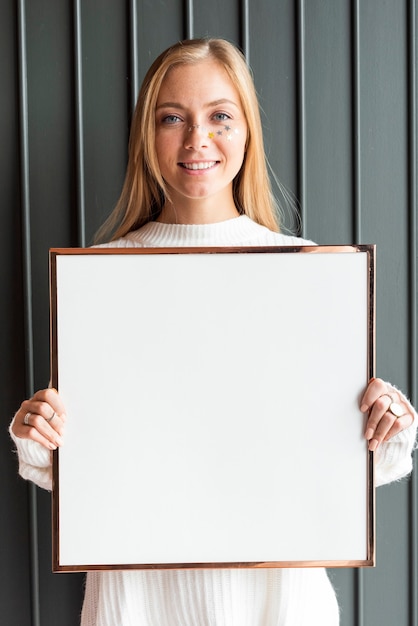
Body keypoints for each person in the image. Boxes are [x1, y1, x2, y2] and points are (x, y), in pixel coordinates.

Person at [9, 38, 417, 626]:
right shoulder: (98, 278)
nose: (197, 139)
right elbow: (92, 471)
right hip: (139, 603)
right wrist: (41, 435)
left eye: (219, 116)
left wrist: (388, 423)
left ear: (247, 130)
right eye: (172, 118)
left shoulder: (311, 271)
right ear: (147, 138)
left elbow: (348, 470)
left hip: (282, 603)